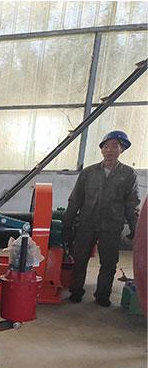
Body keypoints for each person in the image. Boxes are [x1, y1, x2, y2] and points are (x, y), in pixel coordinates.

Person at [62, 130, 140, 306]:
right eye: (106, 147)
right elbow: (75, 199)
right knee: (79, 259)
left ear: (122, 149)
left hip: (112, 226)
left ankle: (103, 295)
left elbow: (132, 203)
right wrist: (67, 223)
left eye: (114, 146)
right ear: (101, 150)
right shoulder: (88, 173)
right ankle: (76, 291)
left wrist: (135, 227)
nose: (109, 150)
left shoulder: (128, 174)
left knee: (109, 262)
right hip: (86, 223)